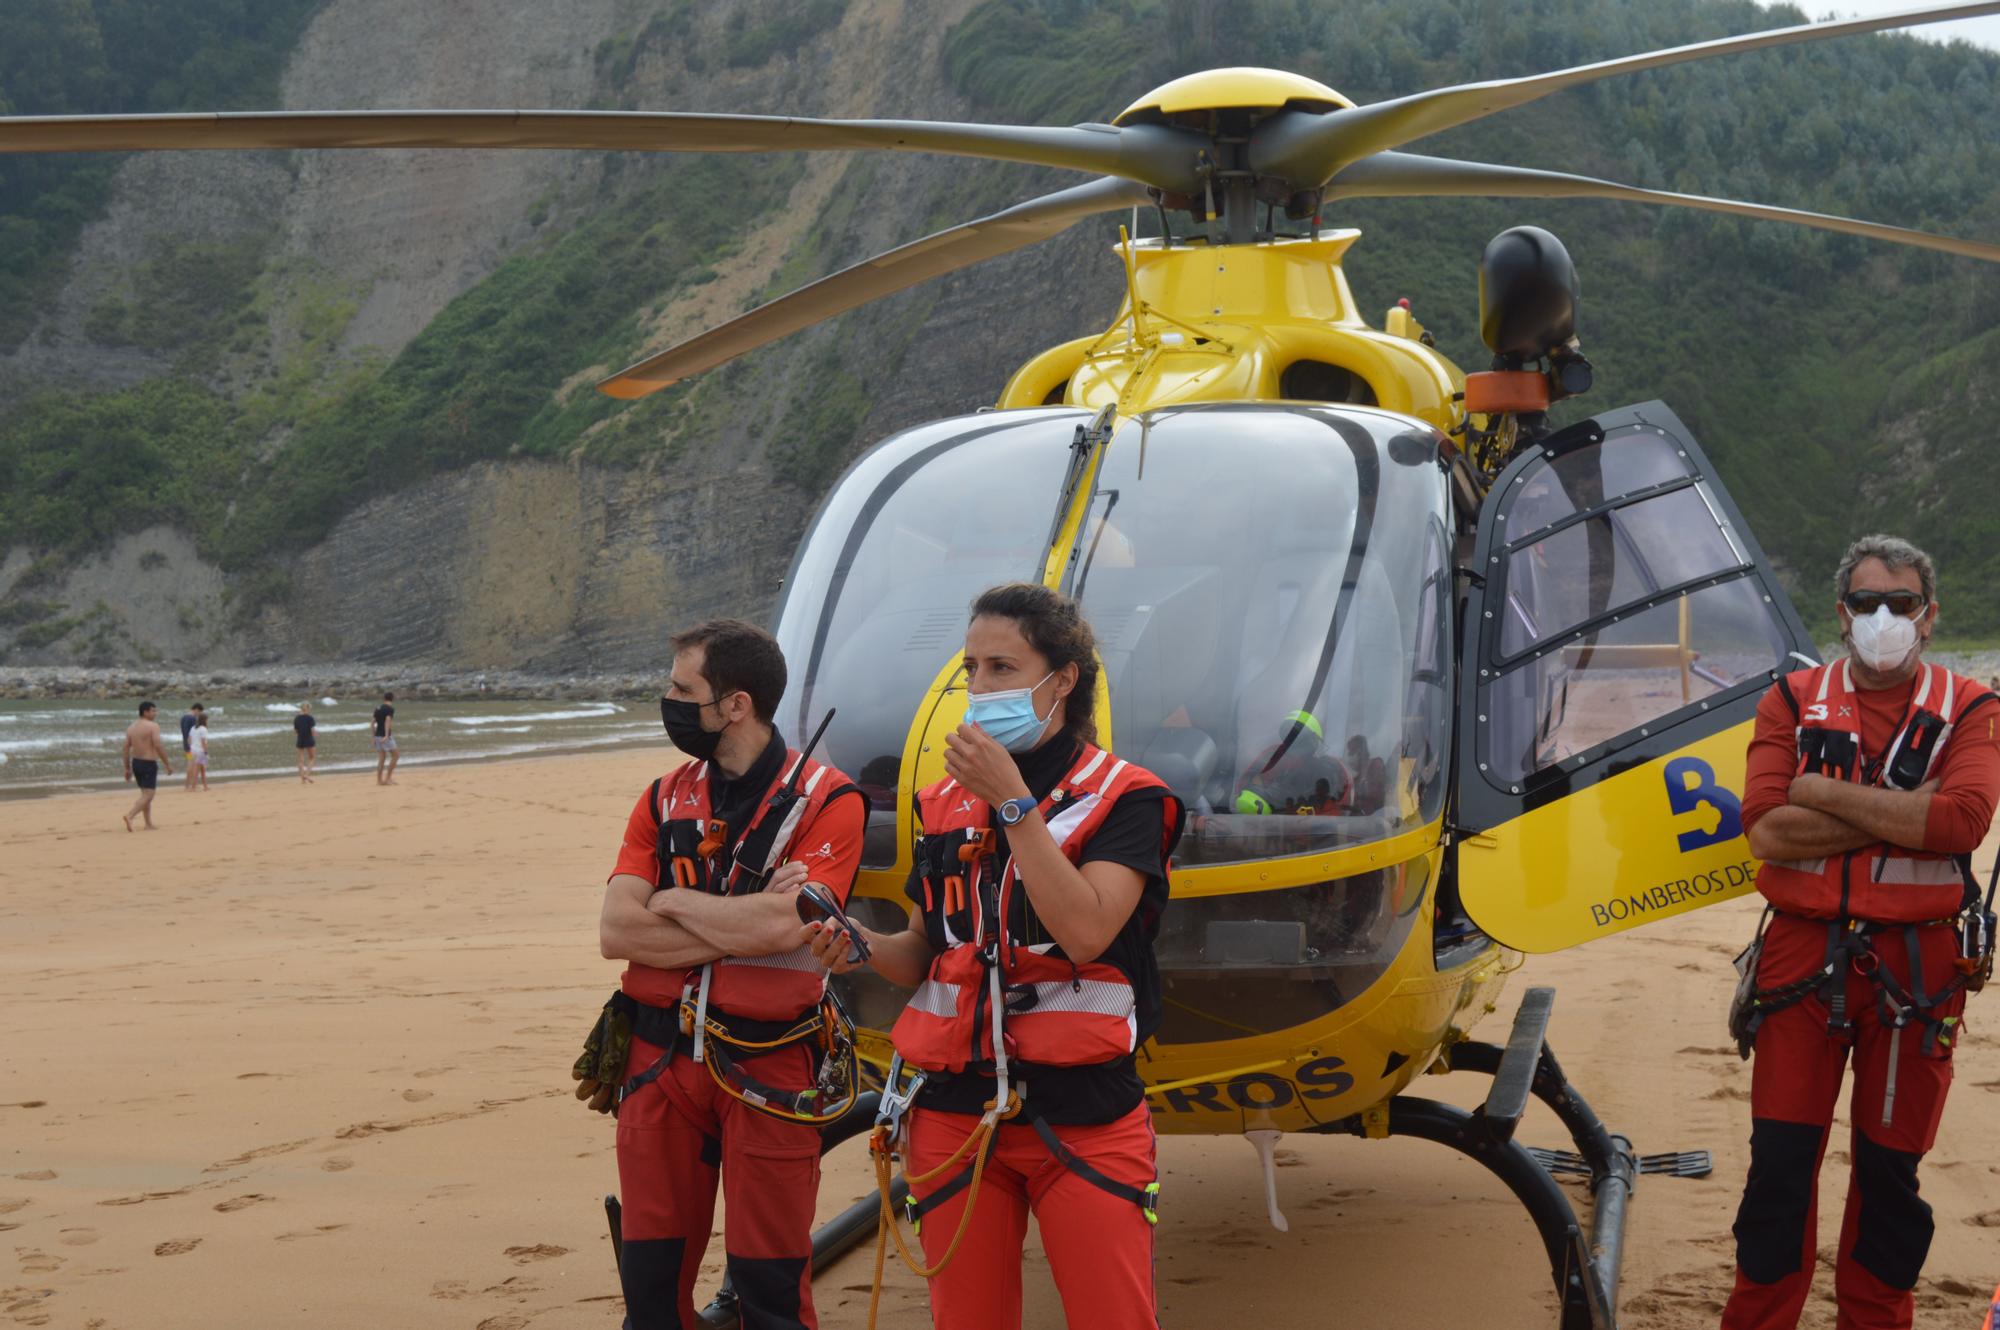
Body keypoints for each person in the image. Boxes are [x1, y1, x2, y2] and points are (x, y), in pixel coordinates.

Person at [807, 582, 1184, 1330]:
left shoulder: (1126, 798)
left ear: (1064, 679)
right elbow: (924, 949)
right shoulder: (945, 802)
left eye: (1002, 669)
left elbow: (1086, 931)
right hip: (951, 1112)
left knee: (1113, 1316)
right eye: (971, 668)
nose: (979, 688)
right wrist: (859, 947)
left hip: (1083, 1114)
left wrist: (1014, 804)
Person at [1722, 535, 2000, 1330]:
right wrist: (1901, 816)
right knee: (1778, 1171)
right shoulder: (1789, 699)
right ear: (1841, 615)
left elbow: (1960, 823)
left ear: (1930, 615)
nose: (1885, 617)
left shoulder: (1973, 708)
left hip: (1920, 974)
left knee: (1888, 1178)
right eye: (1868, 603)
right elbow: (1768, 833)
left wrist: (1818, 791)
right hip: (1799, 961)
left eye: (1902, 603)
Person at [598, 619, 867, 1330]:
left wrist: (675, 901)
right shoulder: (661, 798)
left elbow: (788, 929)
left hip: (770, 1065)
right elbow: (616, 931)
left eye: (683, 689)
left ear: (736, 704)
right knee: (650, 1296)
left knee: (771, 1293)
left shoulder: (828, 799)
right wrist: (738, 918)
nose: (669, 701)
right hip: (655, 1063)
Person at [121, 701, 173, 831]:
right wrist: (167, 763)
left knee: (145, 794)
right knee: (149, 794)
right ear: (145, 712)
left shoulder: (131, 727)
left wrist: (127, 767)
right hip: (148, 763)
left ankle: (148, 824)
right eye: (153, 711)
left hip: (136, 762)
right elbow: (157, 745)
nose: (155, 713)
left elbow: (126, 748)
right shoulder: (153, 726)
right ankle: (130, 815)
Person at [372, 691, 398, 785]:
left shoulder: (378, 708)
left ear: (384, 698)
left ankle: (379, 780)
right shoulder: (390, 708)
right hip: (385, 736)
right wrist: (387, 735)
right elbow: (387, 720)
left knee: (381, 758)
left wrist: (373, 737)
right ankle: (388, 778)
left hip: (378, 736)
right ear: (392, 698)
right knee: (396, 755)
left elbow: (372, 723)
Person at [178, 703, 204, 791]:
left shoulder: (183, 717)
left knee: (190, 763)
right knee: (192, 764)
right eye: (199, 712)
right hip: (192, 745)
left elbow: (184, 732)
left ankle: (187, 785)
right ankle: (192, 785)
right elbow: (193, 733)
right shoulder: (192, 719)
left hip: (186, 744)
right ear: (196, 709)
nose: (199, 714)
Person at [294, 702, 317, 784]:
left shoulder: (296, 718)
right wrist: (314, 738)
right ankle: (307, 774)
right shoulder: (310, 718)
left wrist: (300, 735)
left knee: (300, 759)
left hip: (300, 739)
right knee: (312, 757)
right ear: (308, 709)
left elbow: (296, 731)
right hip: (309, 739)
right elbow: (312, 731)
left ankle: (302, 779)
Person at [188, 712, 211, 791]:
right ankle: (193, 787)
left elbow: (189, 739)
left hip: (192, 750)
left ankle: (205, 786)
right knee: (197, 769)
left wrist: (191, 747)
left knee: (202, 769)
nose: (207, 721)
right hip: (200, 751)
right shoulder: (203, 729)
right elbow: (203, 742)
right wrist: (206, 752)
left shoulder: (193, 727)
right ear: (204, 720)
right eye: (207, 720)